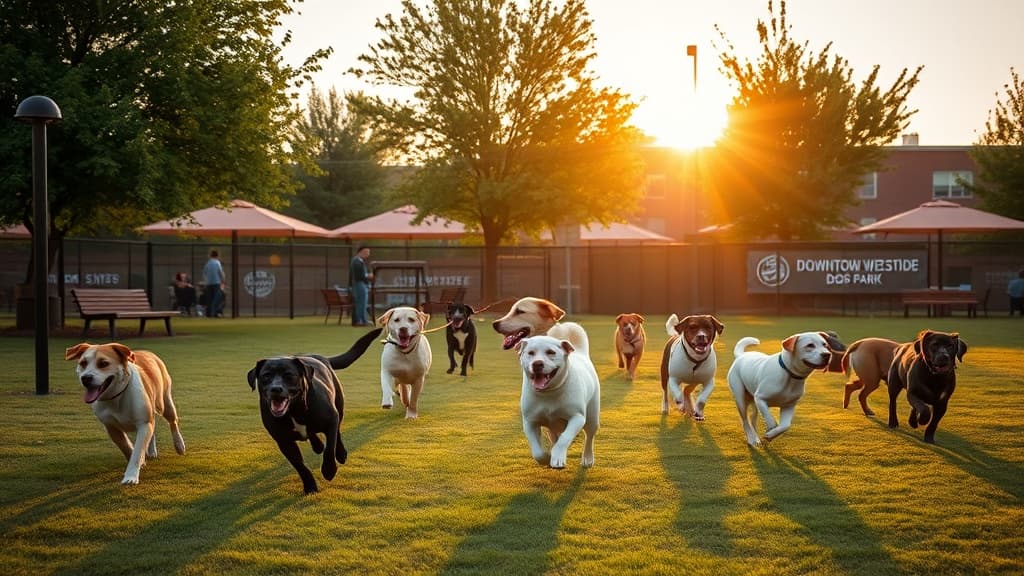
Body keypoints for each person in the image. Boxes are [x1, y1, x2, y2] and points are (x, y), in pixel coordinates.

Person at [349, 245, 374, 326]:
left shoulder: (359, 261)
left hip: (361, 284)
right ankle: (359, 320)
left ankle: (363, 320)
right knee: (361, 303)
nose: (368, 254)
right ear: (361, 252)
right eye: (366, 252)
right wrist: (368, 276)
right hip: (359, 284)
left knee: (362, 303)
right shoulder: (356, 261)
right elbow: (359, 275)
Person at [203, 249, 226, 318]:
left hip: (209, 283)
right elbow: (220, 272)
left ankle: (209, 313)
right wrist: (223, 281)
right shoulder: (217, 262)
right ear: (217, 256)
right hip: (216, 283)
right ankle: (214, 312)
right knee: (217, 298)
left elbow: (204, 273)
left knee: (210, 298)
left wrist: (206, 281)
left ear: (210, 255)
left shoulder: (208, 263)